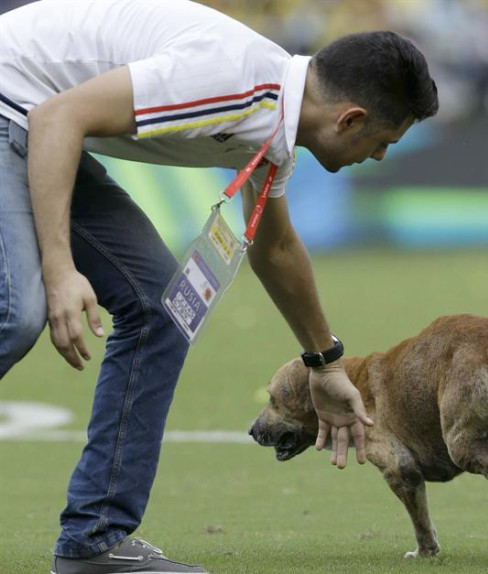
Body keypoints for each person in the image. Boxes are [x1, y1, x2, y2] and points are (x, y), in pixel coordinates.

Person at [0, 1, 438, 572]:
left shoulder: (274, 119)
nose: (378, 155)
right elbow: (58, 118)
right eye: (383, 141)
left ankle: (95, 543)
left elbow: (276, 249)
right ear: (350, 119)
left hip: (35, 120)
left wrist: (325, 364)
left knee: (161, 307)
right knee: (19, 312)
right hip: (19, 107)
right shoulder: (233, 81)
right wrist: (60, 271)